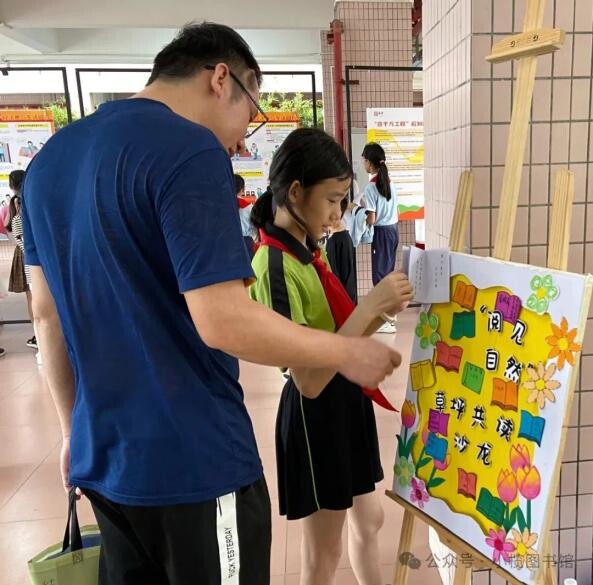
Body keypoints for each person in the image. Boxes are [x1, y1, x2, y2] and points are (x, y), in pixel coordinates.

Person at [22, 23, 403, 585]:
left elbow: (46, 315)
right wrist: (346, 351)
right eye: (252, 111)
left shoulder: (49, 163)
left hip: (103, 461)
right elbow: (221, 318)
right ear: (221, 78)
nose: (244, 140)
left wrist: (70, 432)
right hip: (196, 464)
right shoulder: (189, 148)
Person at [249, 128, 413, 585]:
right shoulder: (273, 264)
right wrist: (371, 307)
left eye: (342, 201)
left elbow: (339, 331)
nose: (338, 214)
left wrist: (382, 308)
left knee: (370, 521)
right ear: (295, 192)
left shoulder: (307, 250)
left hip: (345, 399)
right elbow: (307, 379)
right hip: (315, 414)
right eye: (332, 200)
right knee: (324, 552)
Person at [362, 142, 399, 333]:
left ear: (369, 163)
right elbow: (396, 211)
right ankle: (390, 316)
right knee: (388, 274)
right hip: (393, 230)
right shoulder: (390, 183)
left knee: (380, 278)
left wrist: (358, 215)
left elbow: (372, 218)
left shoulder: (370, 187)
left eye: (364, 160)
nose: (363, 164)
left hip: (382, 233)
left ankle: (386, 322)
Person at [5, 170, 36, 349]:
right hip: (31, 257)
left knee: (33, 298)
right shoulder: (27, 204)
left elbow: (20, 238)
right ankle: (38, 334)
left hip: (27, 257)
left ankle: (38, 334)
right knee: (35, 297)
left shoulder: (18, 207)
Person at [326, 196, 357, 304]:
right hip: (346, 297)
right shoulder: (343, 237)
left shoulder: (336, 241)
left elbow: (336, 276)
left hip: (342, 299)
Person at [235, 173, 256, 260]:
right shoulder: (249, 207)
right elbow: (254, 228)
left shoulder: (221, 206)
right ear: (242, 189)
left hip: (227, 242)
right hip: (246, 244)